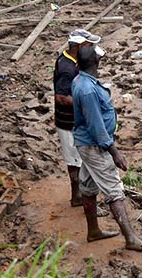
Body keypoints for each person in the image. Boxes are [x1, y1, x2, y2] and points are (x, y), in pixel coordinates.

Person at [71, 43, 142, 252]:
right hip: (94, 145)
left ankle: (93, 230)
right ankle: (130, 238)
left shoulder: (80, 81)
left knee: (87, 186)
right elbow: (96, 125)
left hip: (85, 144)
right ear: (96, 62)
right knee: (114, 190)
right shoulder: (88, 90)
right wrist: (114, 151)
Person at [53, 29, 100, 207]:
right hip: (68, 121)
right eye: (89, 45)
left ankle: (79, 194)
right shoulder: (66, 67)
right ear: (79, 45)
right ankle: (77, 196)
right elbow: (61, 97)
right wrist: (85, 101)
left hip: (74, 119)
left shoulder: (72, 61)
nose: (92, 48)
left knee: (78, 158)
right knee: (74, 159)